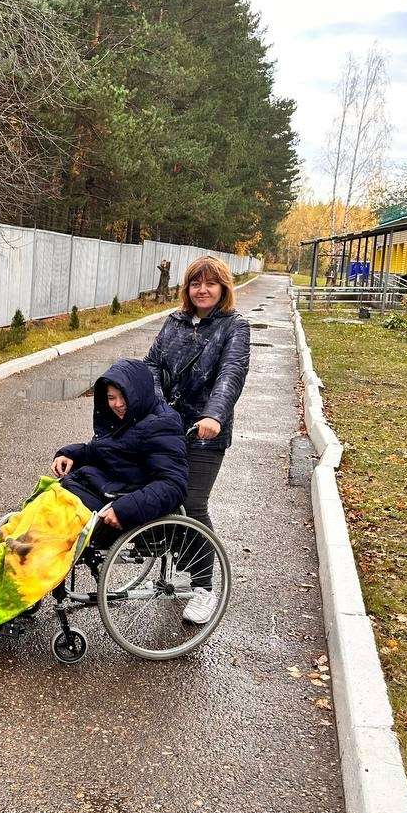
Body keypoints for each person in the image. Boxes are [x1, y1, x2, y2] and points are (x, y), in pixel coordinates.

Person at [0, 360, 187, 595]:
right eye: (111, 397)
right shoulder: (128, 418)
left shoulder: (161, 425)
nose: (117, 404)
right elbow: (103, 450)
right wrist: (70, 453)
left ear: (139, 394)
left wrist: (126, 509)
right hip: (93, 487)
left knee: (45, 525)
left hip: (115, 499)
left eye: (123, 398)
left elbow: (172, 485)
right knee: (25, 516)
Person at [143, 255, 250, 620]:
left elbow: (231, 373)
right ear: (187, 289)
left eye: (210, 283)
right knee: (161, 496)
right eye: (195, 283)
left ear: (223, 288)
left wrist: (214, 415)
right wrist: (157, 405)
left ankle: (204, 588)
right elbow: (152, 364)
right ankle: (177, 564)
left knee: (192, 504)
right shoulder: (174, 322)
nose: (202, 290)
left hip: (205, 433)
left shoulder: (234, 326)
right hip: (167, 426)